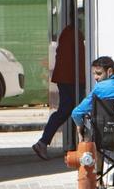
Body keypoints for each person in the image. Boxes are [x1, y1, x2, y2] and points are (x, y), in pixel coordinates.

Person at [33, 20, 86, 160]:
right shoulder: (74, 34)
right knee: (76, 111)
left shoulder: (68, 33)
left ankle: (43, 142)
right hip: (72, 79)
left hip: (68, 78)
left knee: (66, 111)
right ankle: (44, 142)